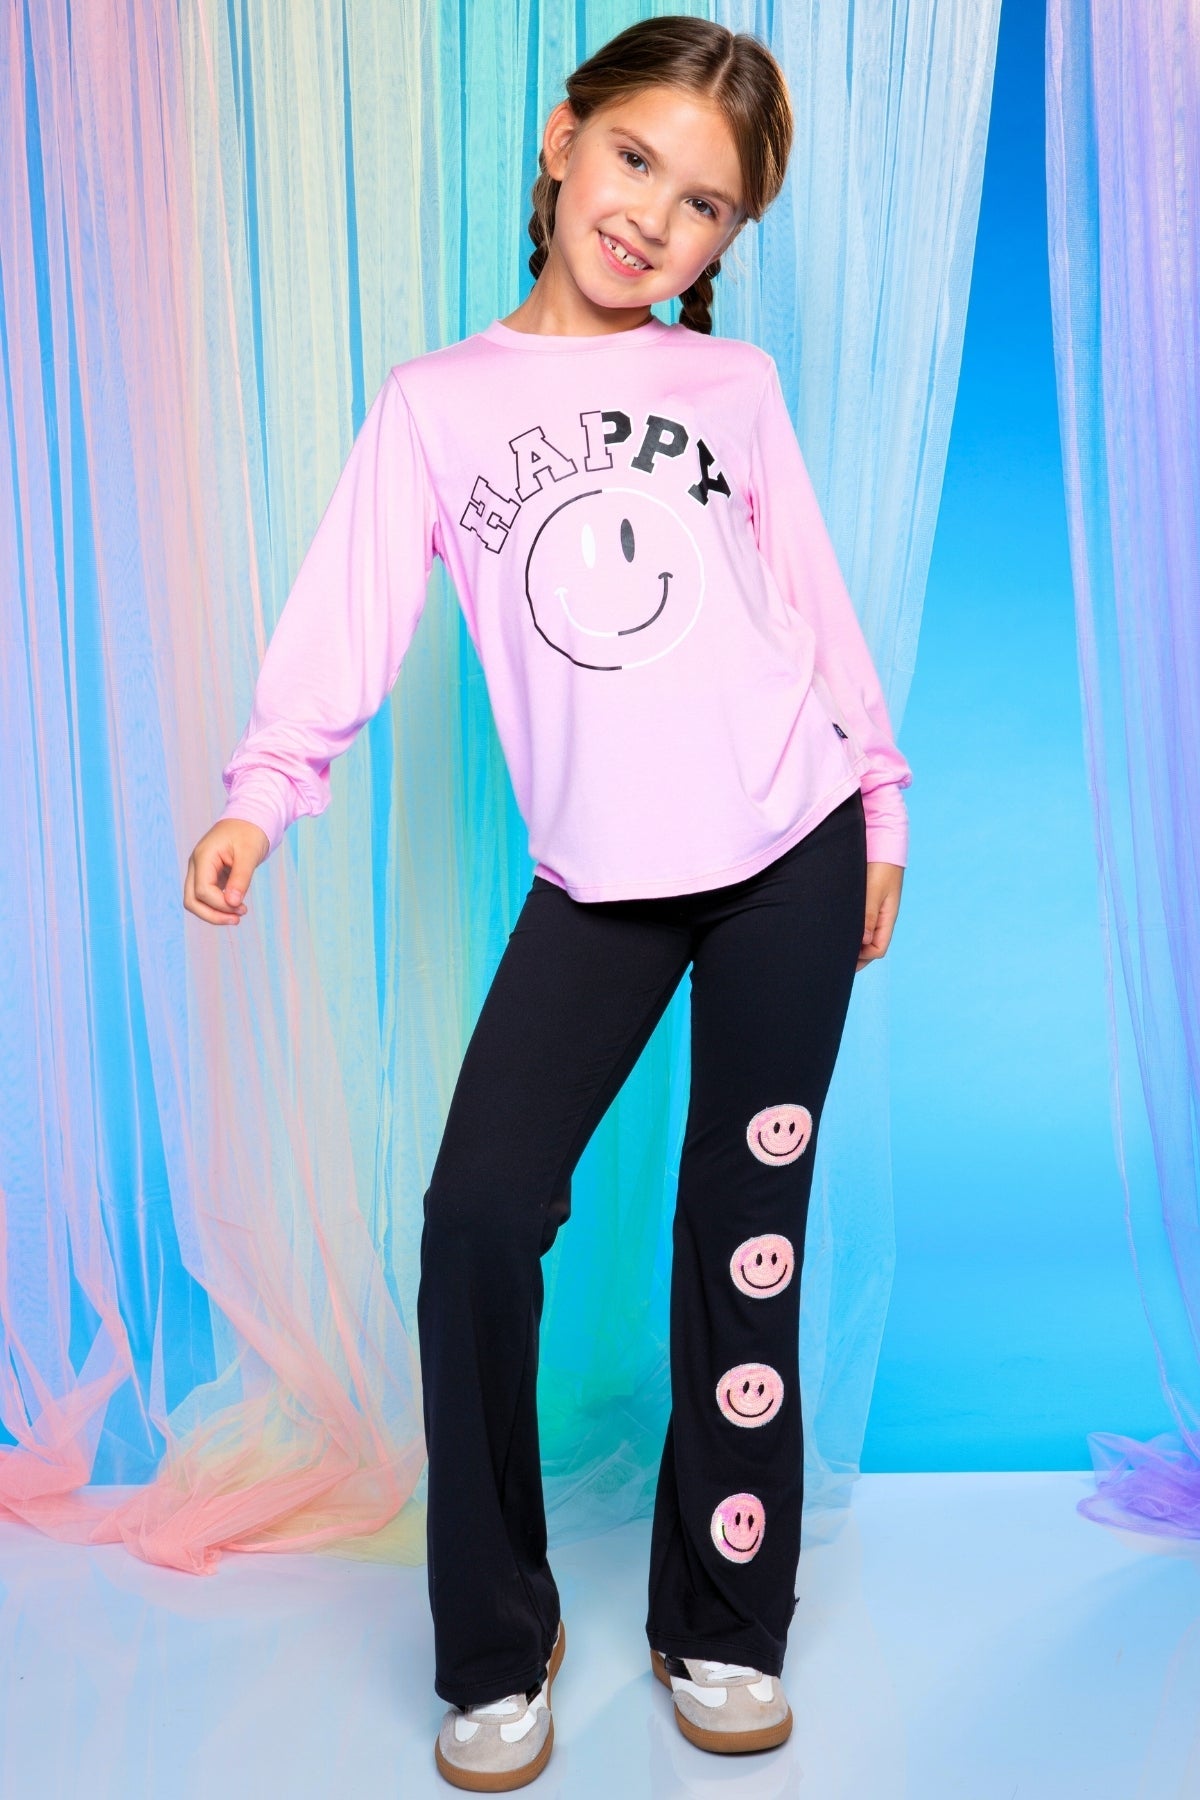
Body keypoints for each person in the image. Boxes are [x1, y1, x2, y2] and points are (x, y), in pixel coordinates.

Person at [183, 15, 912, 1792]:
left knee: (744, 1242)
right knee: (479, 1222)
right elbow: (348, 614)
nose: (656, 216)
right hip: (601, 886)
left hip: (790, 851)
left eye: (707, 203)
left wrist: (881, 802)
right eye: (638, 159)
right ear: (563, 140)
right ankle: (495, 1642)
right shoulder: (437, 404)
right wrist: (265, 794)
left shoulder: (734, 391)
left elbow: (809, 604)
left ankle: (723, 1617)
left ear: (729, 240)